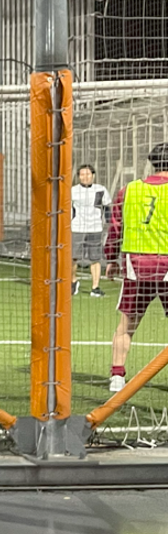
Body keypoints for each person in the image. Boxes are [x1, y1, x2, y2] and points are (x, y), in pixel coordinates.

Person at [105, 143, 168, 393]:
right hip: (166, 264)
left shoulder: (128, 190)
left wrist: (111, 259)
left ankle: (117, 376)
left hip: (136, 266)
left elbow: (115, 228)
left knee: (126, 325)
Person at [71, 163, 108, 297]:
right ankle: (73, 281)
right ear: (78, 177)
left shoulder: (101, 189)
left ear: (93, 175)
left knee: (95, 258)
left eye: (87, 174)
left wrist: (110, 224)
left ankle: (95, 287)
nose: (85, 177)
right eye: (82, 174)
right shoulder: (72, 191)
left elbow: (107, 207)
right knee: (72, 257)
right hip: (76, 228)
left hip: (95, 228)